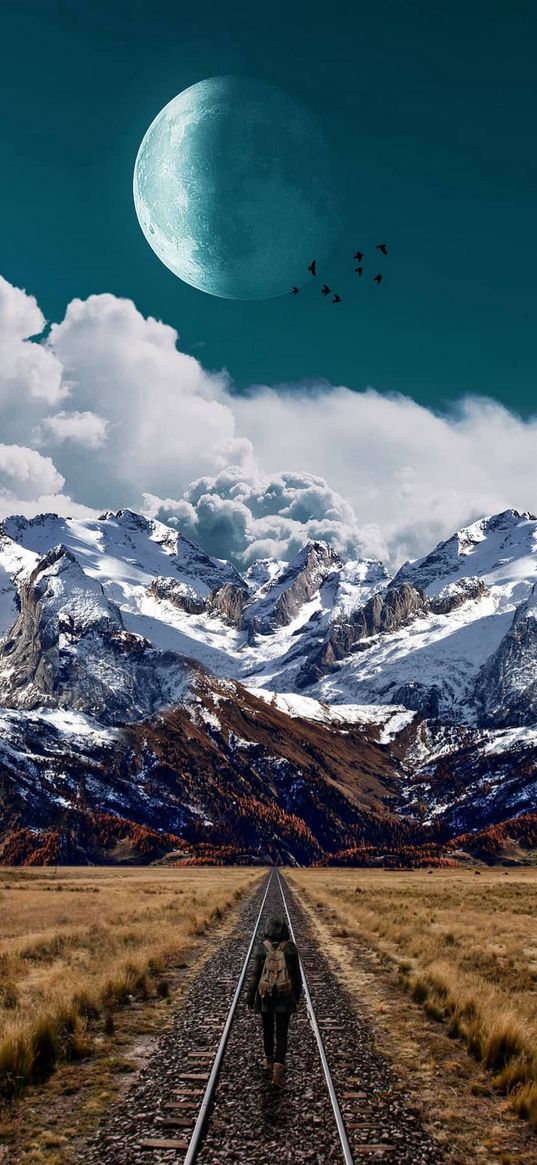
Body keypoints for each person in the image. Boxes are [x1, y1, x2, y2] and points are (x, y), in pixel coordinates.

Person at [246, 913, 302, 1088]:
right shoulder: (291, 949)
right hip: (285, 997)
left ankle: (268, 1061)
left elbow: (255, 977)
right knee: (282, 1033)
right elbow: (298, 979)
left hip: (266, 996)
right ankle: (278, 1070)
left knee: (268, 1029)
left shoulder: (261, 948)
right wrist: (295, 997)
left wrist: (250, 997)